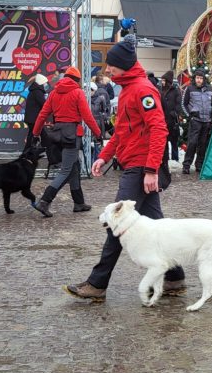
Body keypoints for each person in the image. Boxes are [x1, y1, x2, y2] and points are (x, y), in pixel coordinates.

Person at [64, 35, 185, 300]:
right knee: (157, 224)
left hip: (140, 168)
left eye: (112, 65)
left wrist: (152, 169)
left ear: (125, 66)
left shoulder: (143, 90)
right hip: (134, 165)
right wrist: (104, 156)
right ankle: (175, 277)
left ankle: (97, 284)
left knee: (117, 225)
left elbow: (159, 128)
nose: (107, 70)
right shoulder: (129, 89)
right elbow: (120, 134)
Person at [32, 66, 103, 216]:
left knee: (74, 167)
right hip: (72, 135)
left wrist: (35, 133)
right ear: (76, 80)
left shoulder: (54, 92)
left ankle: (79, 203)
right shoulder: (77, 92)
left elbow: (42, 114)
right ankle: (44, 201)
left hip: (57, 134)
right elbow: (87, 116)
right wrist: (98, 133)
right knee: (65, 170)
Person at [182, 69, 212, 174]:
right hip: (195, 120)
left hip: (206, 121)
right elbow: (184, 104)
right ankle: (186, 165)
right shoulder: (189, 88)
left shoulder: (210, 89)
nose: (199, 80)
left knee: (203, 144)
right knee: (192, 143)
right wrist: (189, 116)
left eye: (201, 78)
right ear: (194, 78)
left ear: (204, 79)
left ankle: (199, 165)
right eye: (197, 78)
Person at [158, 71, 182, 162]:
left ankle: (175, 159)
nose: (162, 82)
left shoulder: (175, 91)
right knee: (164, 141)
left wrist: (174, 113)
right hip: (163, 119)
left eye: (164, 80)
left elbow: (179, 103)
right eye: (162, 80)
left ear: (168, 81)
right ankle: (165, 158)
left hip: (172, 121)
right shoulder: (160, 90)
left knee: (174, 141)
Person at [23, 74, 49, 152]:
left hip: (32, 118)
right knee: (40, 135)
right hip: (34, 119)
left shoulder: (34, 91)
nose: (46, 85)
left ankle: (27, 152)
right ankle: (49, 150)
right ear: (41, 83)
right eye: (45, 83)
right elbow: (44, 104)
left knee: (33, 135)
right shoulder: (37, 92)